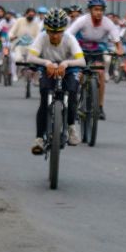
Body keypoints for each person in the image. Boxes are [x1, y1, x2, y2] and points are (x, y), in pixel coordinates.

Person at [25, 9, 86, 152]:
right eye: (51, 32)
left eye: (58, 32)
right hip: (48, 68)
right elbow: (30, 58)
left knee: (72, 92)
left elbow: (82, 61)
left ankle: (71, 127)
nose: (55, 35)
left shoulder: (70, 38)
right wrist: (47, 63)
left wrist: (66, 63)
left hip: (68, 68)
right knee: (44, 96)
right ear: (46, 30)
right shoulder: (41, 37)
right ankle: (39, 139)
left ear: (63, 30)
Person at [67, 0, 123, 120]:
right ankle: (75, 104)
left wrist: (119, 50)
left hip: (97, 50)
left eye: (101, 10)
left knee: (101, 74)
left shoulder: (107, 22)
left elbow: (117, 39)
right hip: (81, 50)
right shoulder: (82, 20)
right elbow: (68, 35)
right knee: (78, 75)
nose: (99, 12)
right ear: (90, 10)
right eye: (96, 9)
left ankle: (100, 107)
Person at [8, 8, 43, 80]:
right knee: (17, 59)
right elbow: (11, 32)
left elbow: (39, 35)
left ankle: (32, 75)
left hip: (31, 46)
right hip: (19, 45)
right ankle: (14, 74)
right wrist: (11, 36)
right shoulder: (19, 21)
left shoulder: (36, 24)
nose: (31, 16)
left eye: (33, 15)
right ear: (26, 14)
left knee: (33, 60)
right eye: (30, 15)